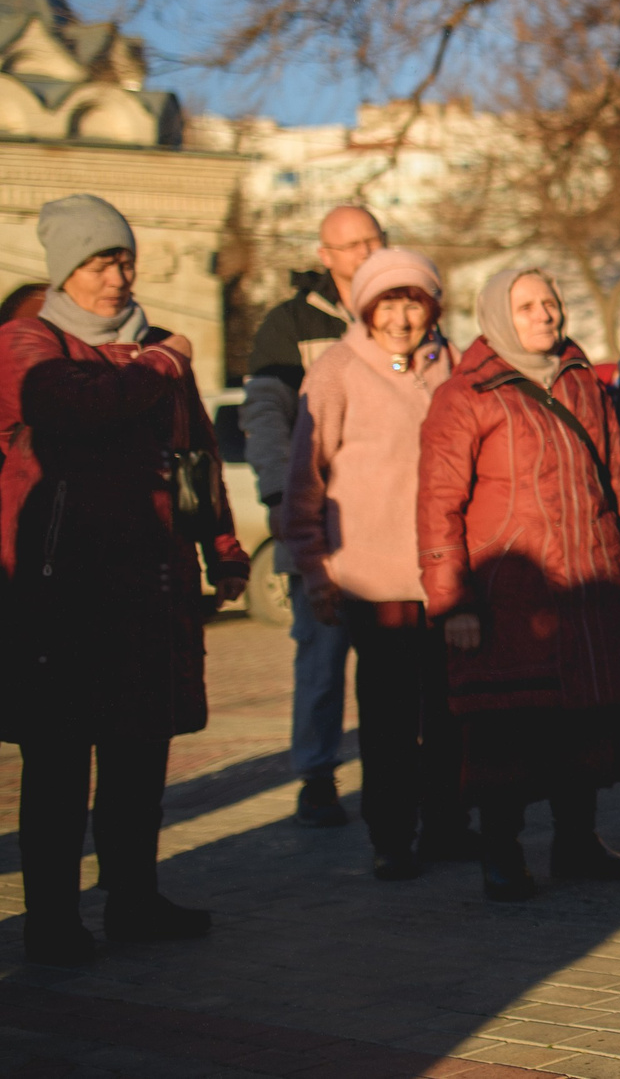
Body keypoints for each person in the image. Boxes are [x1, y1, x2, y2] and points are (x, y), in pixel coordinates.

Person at [1, 195, 249, 964]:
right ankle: (51, 917)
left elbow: (196, 456)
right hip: (60, 590)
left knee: (140, 753)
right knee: (59, 759)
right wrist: (164, 362)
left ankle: (135, 900)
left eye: (122, 259)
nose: (118, 276)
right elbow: (75, 406)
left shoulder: (151, 349)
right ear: (65, 270)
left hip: (148, 583)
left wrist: (222, 541)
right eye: (99, 262)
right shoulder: (28, 342)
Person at [416, 268, 620, 901]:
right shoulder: (465, 395)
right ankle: (501, 853)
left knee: (580, 721)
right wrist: (453, 604)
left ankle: (576, 841)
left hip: (586, 585)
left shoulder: (585, 383)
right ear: (498, 316)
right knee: (508, 729)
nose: (545, 315)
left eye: (550, 303)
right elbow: (437, 507)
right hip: (509, 598)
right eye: (527, 306)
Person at [279, 248, 470, 881]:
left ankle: (446, 824)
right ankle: (391, 835)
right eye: (386, 301)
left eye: (412, 300)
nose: (400, 316)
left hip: (445, 577)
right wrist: (315, 568)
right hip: (372, 579)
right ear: (365, 307)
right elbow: (303, 478)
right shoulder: (336, 370)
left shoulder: (454, 364)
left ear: (431, 307)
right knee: (389, 719)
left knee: (449, 713)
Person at [242, 203, 386, 829]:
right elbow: (266, 417)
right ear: (325, 255)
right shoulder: (288, 325)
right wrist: (281, 498)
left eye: (372, 240)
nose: (363, 252)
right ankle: (317, 776)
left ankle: (397, 770)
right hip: (321, 524)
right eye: (349, 244)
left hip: (390, 528)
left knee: (397, 663)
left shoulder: (406, 315)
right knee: (322, 659)